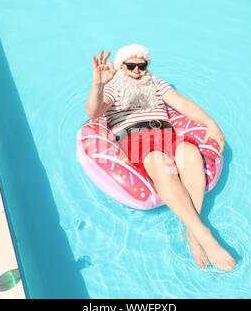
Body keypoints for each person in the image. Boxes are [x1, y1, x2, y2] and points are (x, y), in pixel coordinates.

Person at [86, 44, 236, 271]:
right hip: (135, 137)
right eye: (130, 65)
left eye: (141, 65)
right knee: (160, 162)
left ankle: (191, 232)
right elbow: (94, 112)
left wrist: (210, 123)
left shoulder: (156, 85)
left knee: (191, 153)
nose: (136, 70)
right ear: (120, 68)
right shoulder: (112, 88)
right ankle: (203, 233)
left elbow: (183, 103)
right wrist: (98, 85)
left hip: (167, 134)